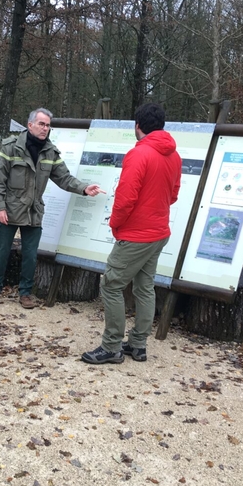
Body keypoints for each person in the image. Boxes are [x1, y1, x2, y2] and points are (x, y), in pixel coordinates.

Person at [81, 103, 182, 364]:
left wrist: (116, 224)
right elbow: (173, 195)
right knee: (145, 286)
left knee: (111, 284)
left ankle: (112, 346)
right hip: (159, 231)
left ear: (137, 125)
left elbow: (125, 198)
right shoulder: (174, 156)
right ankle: (138, 344)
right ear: (161, 125)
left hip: (137, 234)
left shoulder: (139, 155)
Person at [0, 108, 103, 309]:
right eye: (41, 124)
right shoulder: (11, 148)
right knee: (1, 253)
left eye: (48, 125)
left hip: (33, 211)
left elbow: (64, 178)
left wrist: (83, 188)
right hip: (10, 210)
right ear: (30, 125)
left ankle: (25, 293)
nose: (45, 128)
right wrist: (0, 207)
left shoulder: (50, 152)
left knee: (30, 255)